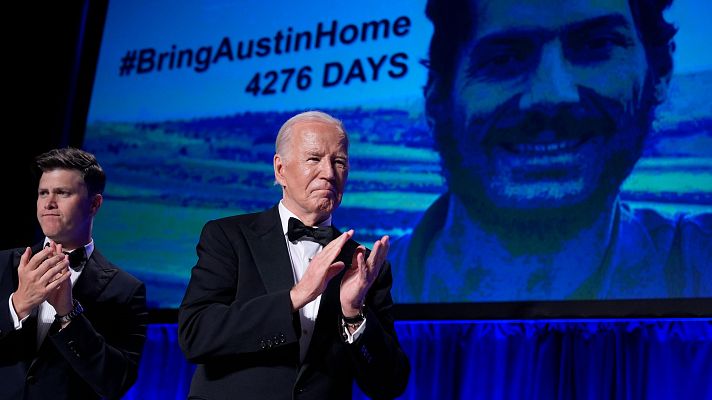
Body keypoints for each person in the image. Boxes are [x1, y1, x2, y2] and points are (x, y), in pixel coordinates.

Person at [390, 0, 711, 302]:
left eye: (597, 45)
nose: (552, 95)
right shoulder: (355, 293)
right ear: (437, 97)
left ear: (661, 71)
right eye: (504, 58)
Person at [178, 111, 410, 399]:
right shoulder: (228, 237)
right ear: (280, 169)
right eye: (314, 159)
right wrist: (294, 297)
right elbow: (196, 335)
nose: (328, 172)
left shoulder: (363, 264)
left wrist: (353, 314)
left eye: (339, 162)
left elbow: (390, 383)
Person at [0, 148, 148, 400]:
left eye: (62, 193)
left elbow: (116, 382)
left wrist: (69, 314)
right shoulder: (2, 263)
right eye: (43, 193)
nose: (49, 203)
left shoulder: (126, 290)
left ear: (94, 204)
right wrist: (18, 305)